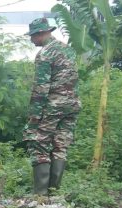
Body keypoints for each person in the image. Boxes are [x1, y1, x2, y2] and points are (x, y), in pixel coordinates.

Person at [22, 17, 80, 196]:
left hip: (53, 106)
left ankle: (40, 195)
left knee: (39, 144)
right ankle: (54, 193)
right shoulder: (67, 49)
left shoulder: (45, 54)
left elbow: (41, 88)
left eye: (32, 36)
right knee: (61, 145)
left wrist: (34, 116)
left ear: (40, 34)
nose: (31, 40)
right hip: (72, 104)